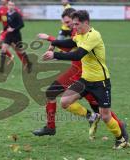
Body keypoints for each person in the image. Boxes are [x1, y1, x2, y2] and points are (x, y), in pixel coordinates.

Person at [42, 10, 130, 149]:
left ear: (86, 23)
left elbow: (78, 55)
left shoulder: (93, 36)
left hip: (101, 82)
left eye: (77, 24)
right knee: (65, 101)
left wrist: (55, 55)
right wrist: (52, 40)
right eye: (74, 24)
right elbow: (70, 42)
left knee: (106, 116)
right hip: (85, 80)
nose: (75, 27)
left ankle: (121, 139)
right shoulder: (80, 34)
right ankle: (91, 117)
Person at [33, 8, 101, 139]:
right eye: (65, 23)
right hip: (76, 70)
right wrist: (54, 44)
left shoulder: (79, 31)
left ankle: (116, 127)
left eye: (69, 22)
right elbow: (70, 48)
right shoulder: (77, 30)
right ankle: (50, 127)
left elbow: (69, 47)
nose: (68, 25)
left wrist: (50, 39)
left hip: (81, 73)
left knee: (99, 106)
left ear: (76, 20)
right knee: (51, 93)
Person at [0, 1, 32, 73]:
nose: (11, 6)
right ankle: (1, 68)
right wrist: (4, 30)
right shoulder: (6, 14)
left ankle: (29, 63)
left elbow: (22, 25)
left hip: (16, 35)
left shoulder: (17, 14)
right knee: (3, 49)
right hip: (8, 35)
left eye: (12, 5)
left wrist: (14, 29)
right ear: (8, 6)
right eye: (9, 5)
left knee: (20, 51)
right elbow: (7, 25)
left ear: (14, 6)